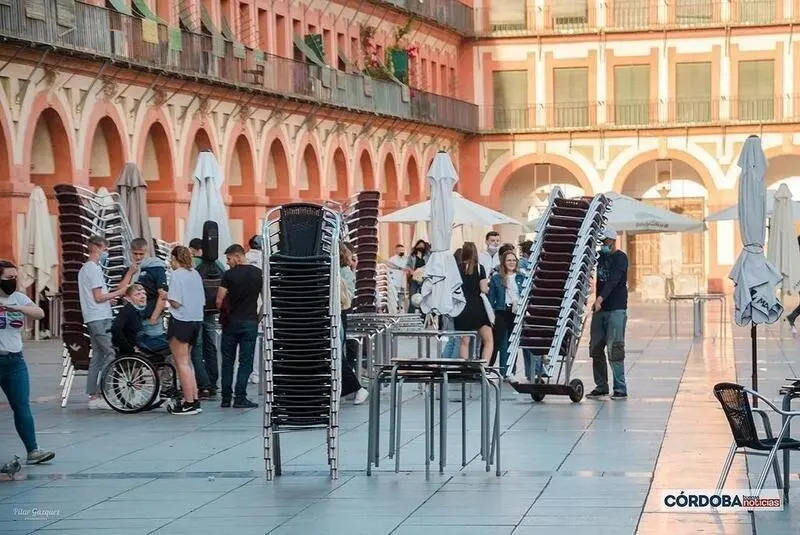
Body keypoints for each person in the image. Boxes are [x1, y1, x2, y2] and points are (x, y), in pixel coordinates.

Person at [0, 260, 55, 464]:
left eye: (16, 277)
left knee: (22, 406)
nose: (13, 281)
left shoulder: (19, 298)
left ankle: (33, 450)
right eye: (8, 277)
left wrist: (16, 307)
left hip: (15, 361)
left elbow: (39, 313)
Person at [78, 235, 136, 410]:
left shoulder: (87, 269)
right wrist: (120, 292)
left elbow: (98, 296)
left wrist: (108, 298)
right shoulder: (93, 269)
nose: (106, 253)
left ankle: (93, 394)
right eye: (105, 249)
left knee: (97, 356)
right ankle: (104, 392)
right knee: (109, 352)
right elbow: (98, 297)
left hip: (94, 316)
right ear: (96, 248)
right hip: (98, 317)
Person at [216, 244, 261, 408]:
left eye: (229, 258)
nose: (227, 262)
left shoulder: (228, 275)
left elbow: (219, 300)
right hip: (250, 322)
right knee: (246, 361)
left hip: (231, 323)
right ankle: (240, 397)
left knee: (227, 361)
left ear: (237, 256)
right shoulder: (258, 274)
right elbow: (266, 301)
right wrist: (259, 317)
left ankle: (226, 398)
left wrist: (224, 311)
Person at [587, 227, 629, 400]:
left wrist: (600, 299)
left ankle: (620, 388)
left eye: (605, 242)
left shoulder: (621, 258)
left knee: (615, 348)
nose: (602, 245)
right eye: (601, 242)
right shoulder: (600, 256)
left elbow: (612, 281)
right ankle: (601, 386)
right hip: (600, 310)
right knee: (595, 347)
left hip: (616, 309)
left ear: (612, 241)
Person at [166, 246, 206, 415]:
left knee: (181, 362)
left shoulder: (177, 275)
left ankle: (188, 402)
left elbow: (175, 301)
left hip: (181, 320)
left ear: (175, 258)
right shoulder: (195, 274)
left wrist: (164, 295)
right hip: (196, 320)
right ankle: (194, 398)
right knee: (188, 361)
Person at [188, 238, 226, 399]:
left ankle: (203, 385)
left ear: (193, 249)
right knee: (211, 346)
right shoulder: (217, 263)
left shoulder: (193, 263)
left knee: (197, 347)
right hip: (211, 310)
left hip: (195, 311)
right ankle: (213, 382)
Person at [339, 243, 369, 404]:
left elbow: (347, 299)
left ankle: (357, 388)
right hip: (336, 313)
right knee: (336, 354)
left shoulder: (345, 273)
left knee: (336, 354)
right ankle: (348, 388)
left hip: (340, 313)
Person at [454, 242, 493, 361]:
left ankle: (464, 368)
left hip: (462, 307)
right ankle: (484, 367)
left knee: (464, 341)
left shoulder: (457, 268)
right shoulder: (479, 268)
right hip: (477, 307)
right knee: (488, 340)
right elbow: (484, 289)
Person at [488, 250, 525, 376]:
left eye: (514, 260)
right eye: (509, 260)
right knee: (502, 342)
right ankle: (504, 371)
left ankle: (510, 371)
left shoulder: (521, 276)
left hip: (516, 312)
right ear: (503, 262)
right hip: (501, 311)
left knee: (512, 343)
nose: (512, 262)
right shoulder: (496, 278)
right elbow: (490, 299)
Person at [129, 238, 169, 352]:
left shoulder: (157, 268)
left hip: (151, 318)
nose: (138, 257)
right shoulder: (132, 269)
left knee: (157, 351)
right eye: (135, 254)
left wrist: (154, 317)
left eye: (141, 254)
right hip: (136, 318)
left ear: (147, 252)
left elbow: (162, 295)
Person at [111, 284, 168, 355]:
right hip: (139, 344)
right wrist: (129, 348)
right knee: (173, 344)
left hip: (143, 340)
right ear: (128, 298)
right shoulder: (127, 311)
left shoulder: (136, 310)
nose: (143, 296)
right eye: (137, 294)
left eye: (144, 293)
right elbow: (115, 328)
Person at [406, 240, 430, 313]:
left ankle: (423, 312)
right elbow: (407, 266)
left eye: (422, 246)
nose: (421, 247)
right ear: (416, 246)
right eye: (419, 245)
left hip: (424, 278)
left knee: (424, 296)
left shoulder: (427, 255)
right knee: (412, 295)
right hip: (413, 278)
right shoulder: (412, 256)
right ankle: (411, 314)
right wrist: (411, 271)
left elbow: (429, 265)